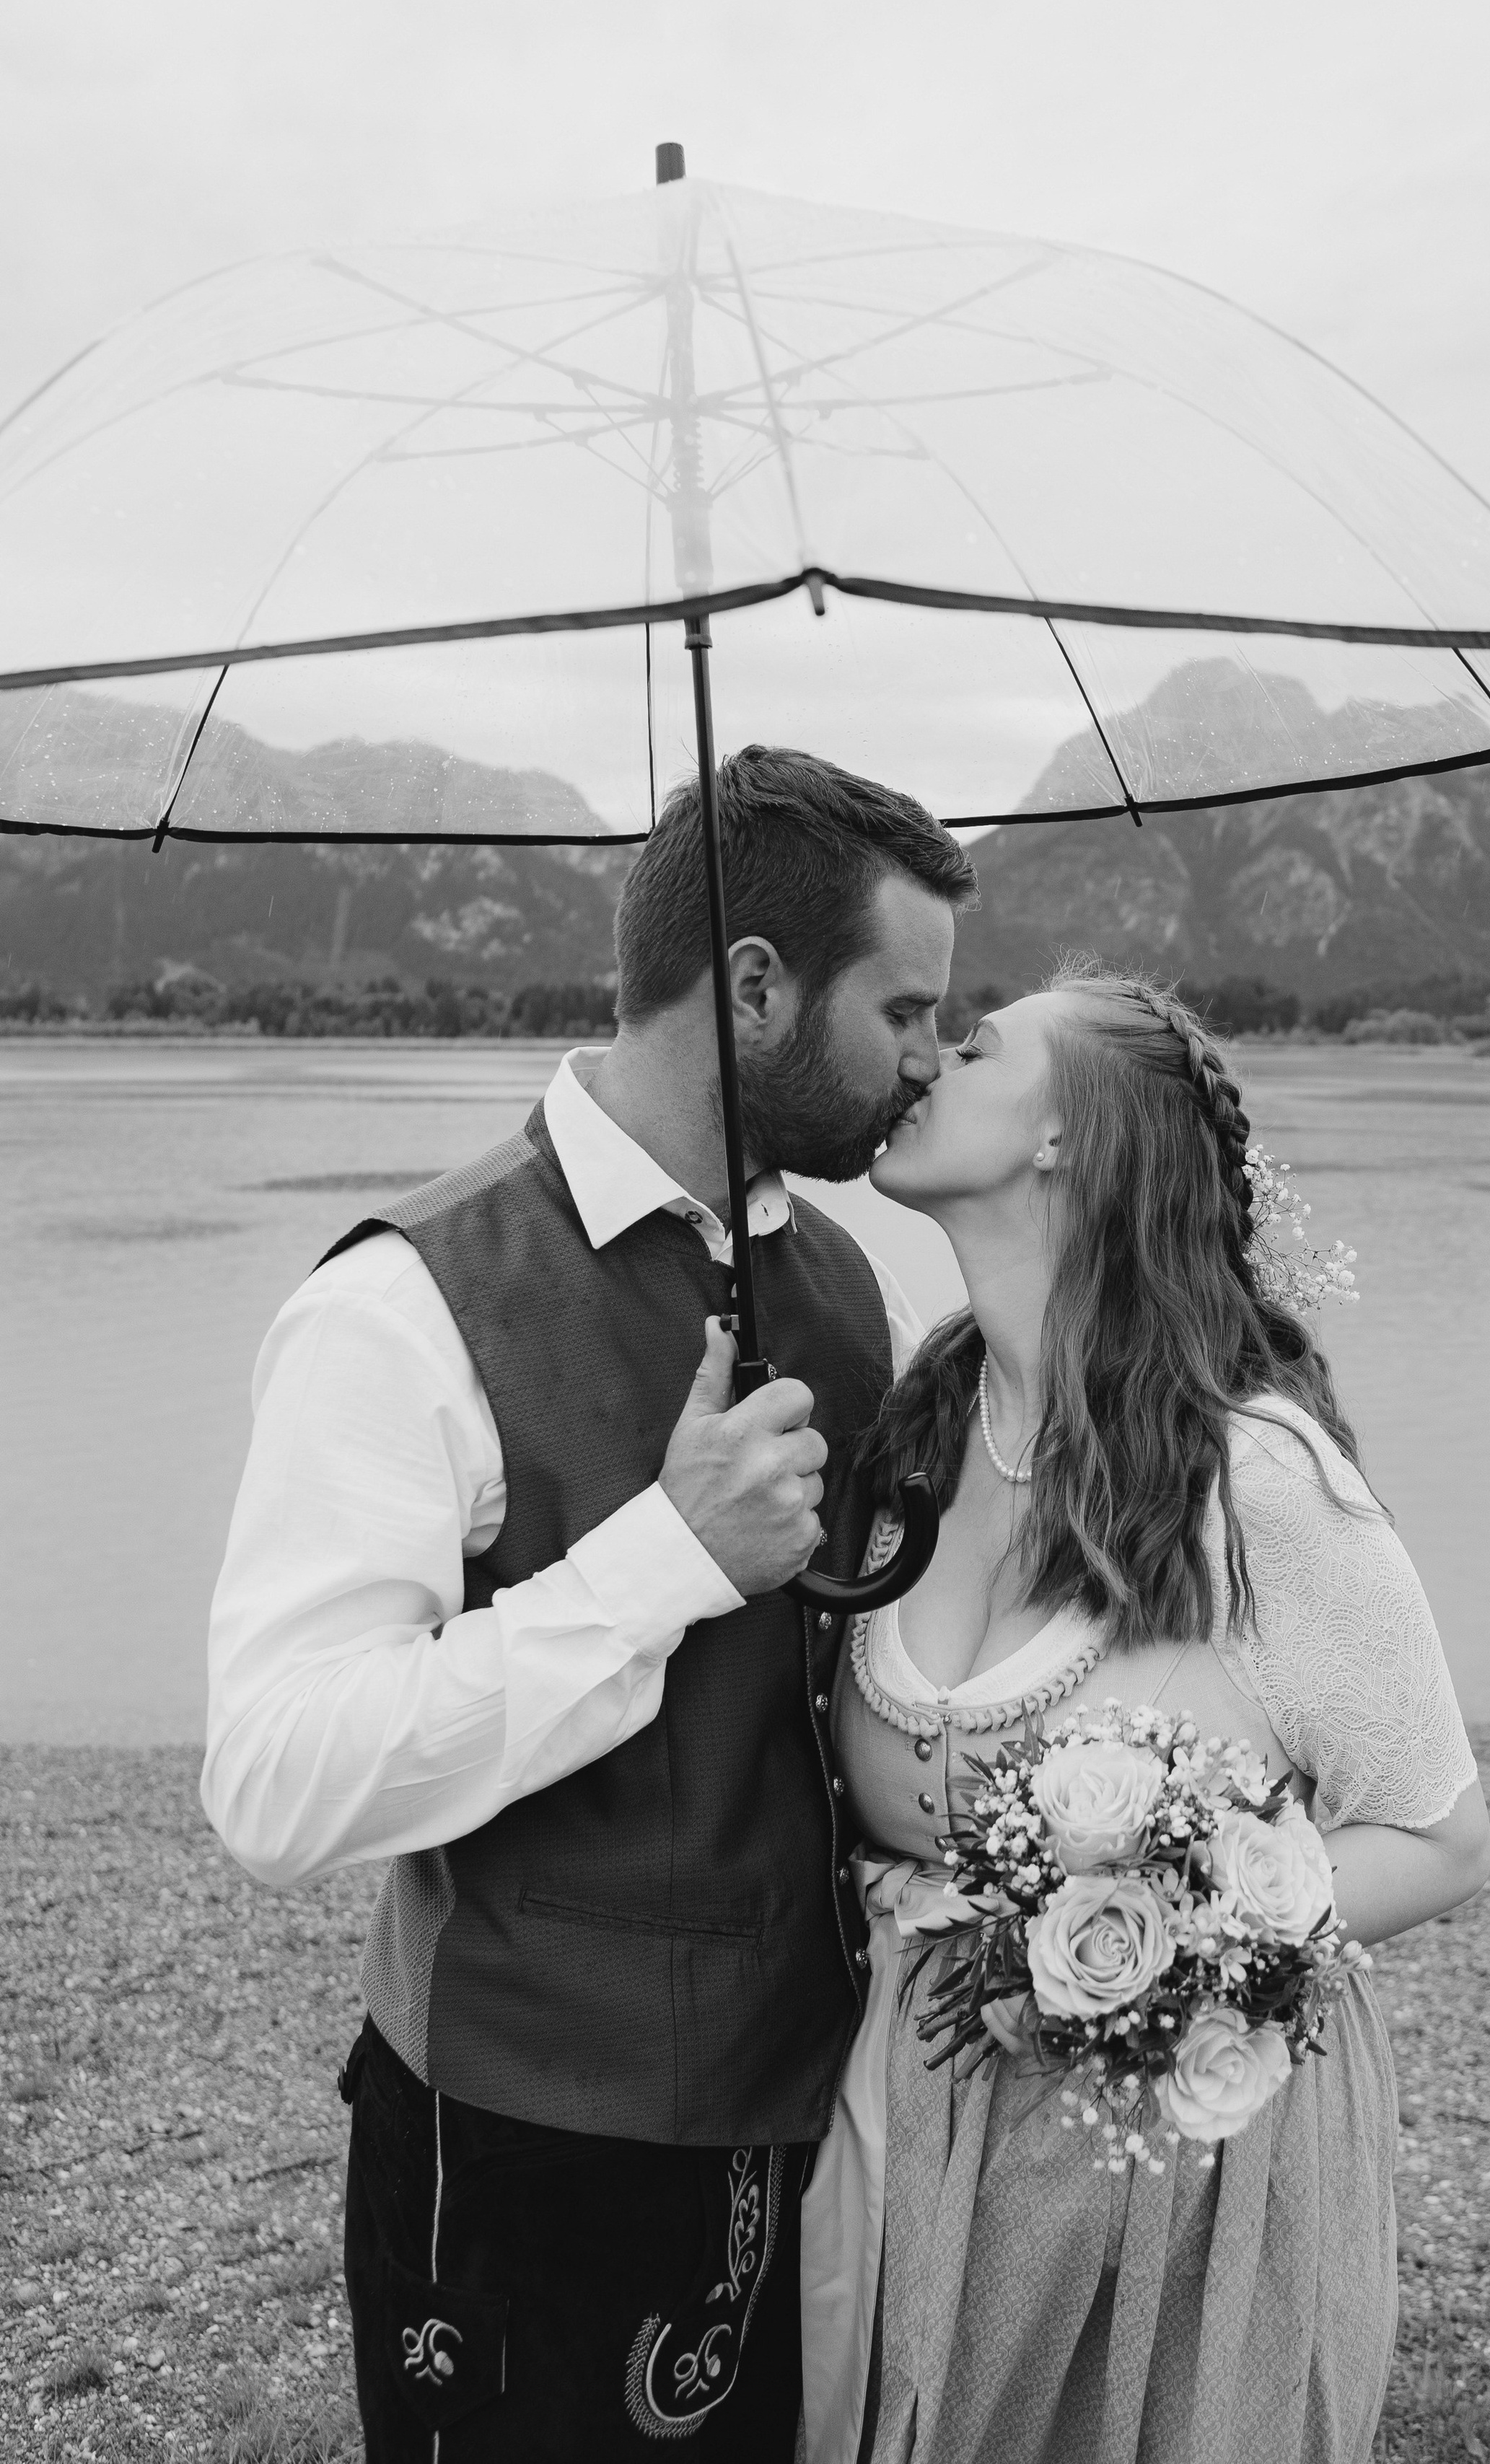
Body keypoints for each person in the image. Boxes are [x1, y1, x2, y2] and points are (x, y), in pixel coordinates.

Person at [199, 745, 976, 2462]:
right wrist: (663, 1561)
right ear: (753, 990)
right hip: (517, 2152)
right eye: (905, 1012)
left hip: (815, 2118)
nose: (932, 1063)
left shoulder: (843, 1289)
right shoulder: (401, 1305)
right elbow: (274, 1781)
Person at [801, 964, 1490, 2464]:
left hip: (1169, 2188)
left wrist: (1166, 1939)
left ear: (1070, 1137)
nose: (923, 1057)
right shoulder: (908, 1443)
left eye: (972, 1043)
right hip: (891, 2131)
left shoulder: (1255, 1484)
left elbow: (1438, 1837)